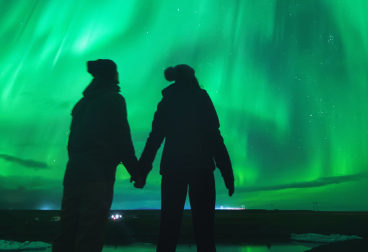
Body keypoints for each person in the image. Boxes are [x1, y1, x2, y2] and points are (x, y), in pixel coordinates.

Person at [138, 64, 235, 252]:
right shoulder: (201, 98)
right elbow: (214, 137)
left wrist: (142, 170)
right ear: (192, 77)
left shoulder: (167, 100)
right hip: (202, 169)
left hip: (173, 169)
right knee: (205, 231)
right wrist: (227, 173)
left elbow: (155, 138)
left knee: (168, 229)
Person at [53, 59, 145, 252]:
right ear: (111, 75)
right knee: (90, 236)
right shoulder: (113, 99)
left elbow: (72, 143)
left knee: (66, 234)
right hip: (98, 177)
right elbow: (122, 139)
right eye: (116, 72)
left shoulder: (81, 104)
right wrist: (136, 172)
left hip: (73, 176)